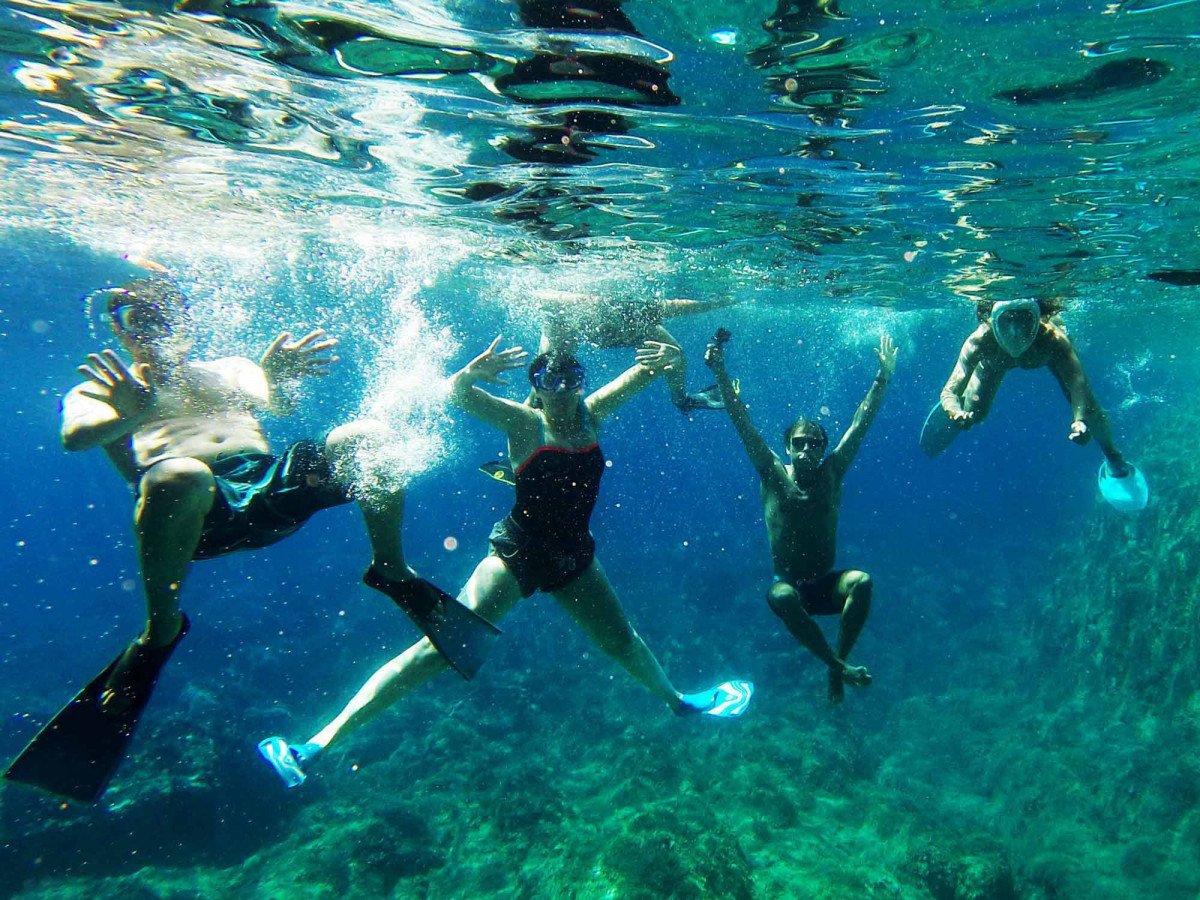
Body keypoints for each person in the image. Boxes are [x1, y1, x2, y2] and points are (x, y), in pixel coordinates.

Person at [4, 275, 487, 803]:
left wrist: (276, 379)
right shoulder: (104, 387)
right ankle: (159, 630)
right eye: (135, 319)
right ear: (119, 331)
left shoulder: (228, 368)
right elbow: (75, 437)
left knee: (364, 438)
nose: (152, 328)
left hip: (270, 489)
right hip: (195, 514)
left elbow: (274, 404)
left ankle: (391, 569)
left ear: (185, 321)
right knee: (179, 474)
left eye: (162, 315)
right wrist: (131, 413)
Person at [258, 337, 753, 788]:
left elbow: (649, 370)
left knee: (621, 641)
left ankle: (681, 703)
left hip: (575, 555)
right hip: (518, 553)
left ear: (582, 382)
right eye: (547, 382)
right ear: (534, 388)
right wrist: (466, 377)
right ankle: (314, 746)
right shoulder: (524, 421)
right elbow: (458, 397)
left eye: (571, 380)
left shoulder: (592, 413)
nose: (561, 392)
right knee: (441, 649)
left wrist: (676, 360)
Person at [705, 330, 896, 704]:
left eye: (815, 444)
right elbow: (742, 424)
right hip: (790, 587)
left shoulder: (832, 473)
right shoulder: (772, 473)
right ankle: (838, 668)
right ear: (787, 447)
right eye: (799, 443)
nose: (807, 450)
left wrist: (883, 376)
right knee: (778, 595)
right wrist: (721, 373)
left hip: (827, 585)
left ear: (824, 448)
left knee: (862, 582)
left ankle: (836, 664)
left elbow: (860, 423)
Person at [921, 298, 1147, 510]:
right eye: (1007, 320)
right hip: (994, 362)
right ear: (992, 319)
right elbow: (949, 390)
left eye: (1024, 320)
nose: (1016, 332)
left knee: (1090, 410)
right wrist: (954, 410)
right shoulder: (980, 341)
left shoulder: (1053, 339)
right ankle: (966, 408)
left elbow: (1080, 387)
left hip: (1034, 356)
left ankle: (1114, 457)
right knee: (974, 416)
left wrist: (1080, 421)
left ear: (1037, 318)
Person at [538, 291, 740, 413]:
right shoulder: (564, 314)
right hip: (582, 326)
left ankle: (682, 400)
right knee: (544, 376)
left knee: (677, 354)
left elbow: (685, 307)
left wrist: (724, 301)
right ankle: (533, 414)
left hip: (634, 327)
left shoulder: (640, 313)